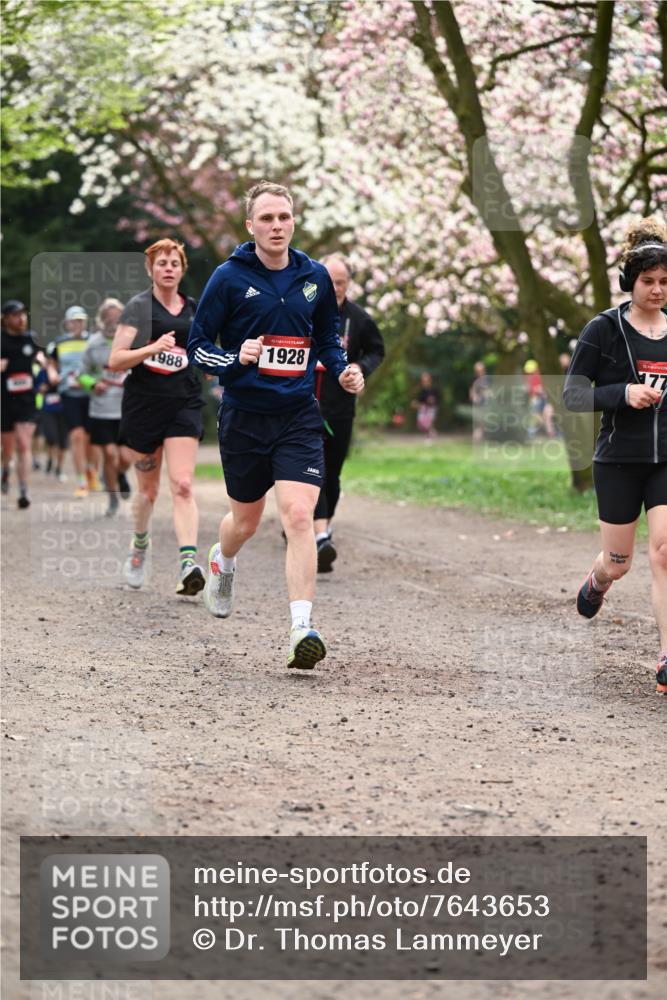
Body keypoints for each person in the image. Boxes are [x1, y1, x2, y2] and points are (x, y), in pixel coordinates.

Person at [187, 180, 364, 669]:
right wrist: (232, 357)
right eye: (266, 218)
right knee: (244, 521)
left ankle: (301, 628)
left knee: (299, 516)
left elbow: (327, 338)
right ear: (251, 225)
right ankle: (222, 561)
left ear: (293, 221)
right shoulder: (227, 278)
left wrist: (346, 369)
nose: (276, 226)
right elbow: (197, 347)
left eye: (283, 217)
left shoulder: (314, 277)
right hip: (244, 417)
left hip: (297, 416)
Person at [563, 216, 667, 695]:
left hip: (665, 458)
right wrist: (622, 394)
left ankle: (666, 656)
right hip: (618, 459)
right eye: (649, 281)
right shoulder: (603, 329)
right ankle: (598, 580)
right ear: (631, 282)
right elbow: (573, 394)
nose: (658, 290)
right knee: (620, 560)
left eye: (665, 282)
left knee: (665, 551)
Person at [108, 238, 206, 596]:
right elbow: (116, 359)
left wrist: (213, 364)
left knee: (182, 484)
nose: (168, 268)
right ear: (150, 269)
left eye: (174, 263)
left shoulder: (194, 308)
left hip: (183, 402)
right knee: (148, 493)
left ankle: (187, 564)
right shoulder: (138, 308)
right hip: (144, 406)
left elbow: (201, 352)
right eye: (161, 262)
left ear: (182, 270)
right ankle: (139, 545)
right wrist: (151, 347)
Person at [312, 253, 384, 573]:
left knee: (332, 472)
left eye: (341, 282)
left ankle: (318, 529)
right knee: (312, 472)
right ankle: (319, 536)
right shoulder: (304, 310)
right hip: (304, 405)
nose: (336, 288)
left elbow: (376, 350)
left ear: (349, 283)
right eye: (330, 281)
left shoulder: (358, 318)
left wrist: (359, 366)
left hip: (340, 407)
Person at [79, 298, 131, 517]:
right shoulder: (93, 343)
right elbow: (81, 374)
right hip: (102, 408)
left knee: (126, 458)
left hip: (127, 407)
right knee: (109, 454)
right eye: (109, 318)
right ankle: (112, 496)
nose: (113, 321)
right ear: (101, 320)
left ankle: (119, 475)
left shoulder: (131, 340)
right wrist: (93, 383)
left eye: (118, 317)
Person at [47, 305, 99, 497]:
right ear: (67, 323)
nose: (78, 324)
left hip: (91, 394)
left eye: (81, 320)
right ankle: (81, 481)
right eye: (74, 320)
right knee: (76, 436)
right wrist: (53, 374)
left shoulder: (93, 340)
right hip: (68, 393)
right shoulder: (59, 343)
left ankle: (92, 471)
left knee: (91, 440)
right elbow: (51, 365)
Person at [1, 300, 46, 508]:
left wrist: (41, 360)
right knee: (7, 448)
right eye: (16, 315)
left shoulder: (32, 339)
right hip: (4, 401)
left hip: (26, 400)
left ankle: (23, 489)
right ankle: (6, 469)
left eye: (23, 315)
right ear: (5, 319)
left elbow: (42, 356)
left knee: (23, 443)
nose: (21, 319)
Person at [412, 371, 440, 439]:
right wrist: (415, 403)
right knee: (420, 424)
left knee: (428, 423)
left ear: (430, 380)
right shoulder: (421, 390)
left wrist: (433, 400)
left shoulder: (434, 389)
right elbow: (420, 400)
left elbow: (438, 399)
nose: (425, 382)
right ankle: (431, 432)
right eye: (423, 380)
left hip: (431, 408)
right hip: (423, 408)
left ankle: (429, 438)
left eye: (426, 380)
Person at [469, 360, 492, 443]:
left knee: (484, 422)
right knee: (479, 422)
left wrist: (487, 394)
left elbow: (492, 392)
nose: (478, 372)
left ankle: (481, 436)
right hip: (478, 404)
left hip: (487, 404)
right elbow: (472, 391)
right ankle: (479, 437)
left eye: (480, 370)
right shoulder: (474, 379)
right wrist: (474, 396)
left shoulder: (488, 379)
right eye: (476, 371)